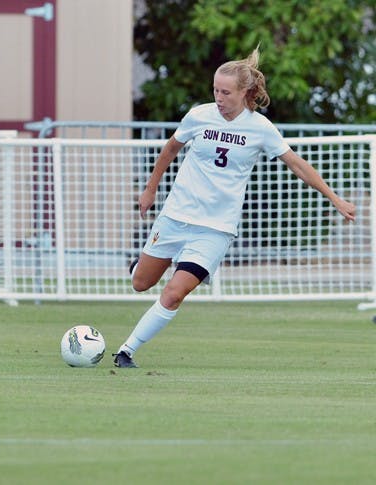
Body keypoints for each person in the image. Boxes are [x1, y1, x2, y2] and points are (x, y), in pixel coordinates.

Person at [113, 47, 356, 368]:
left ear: (246, 93)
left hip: (216, 228)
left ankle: (126, 350)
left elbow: (296, 164)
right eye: (215, 90)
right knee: (140, 284)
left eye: (226, 92)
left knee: (174, 293)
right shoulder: (199, 116)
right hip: (175, 216)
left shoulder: (260, 128)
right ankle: (139, 265)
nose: (219, 98)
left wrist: (335, 198)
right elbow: (171, 149)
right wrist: (149, 190)